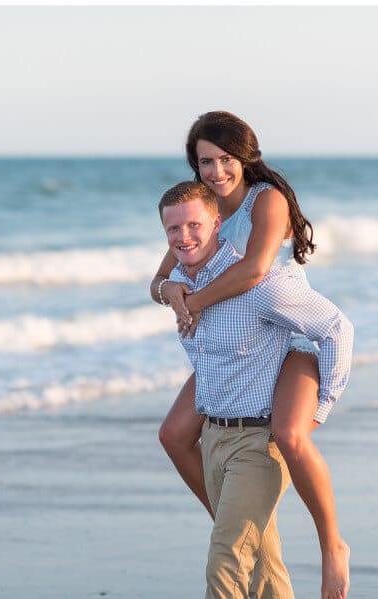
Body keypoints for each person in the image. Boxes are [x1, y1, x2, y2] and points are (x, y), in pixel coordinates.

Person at [151, 111, 351, 599]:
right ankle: (239, 521)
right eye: (204, 162)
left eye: (225, 159)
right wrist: (172, 290)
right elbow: (160, 280)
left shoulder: (267, 199)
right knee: (175, 433)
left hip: (289, 334)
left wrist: (192, 300)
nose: (216, 172)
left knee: (288, 432)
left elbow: (257, 271)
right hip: (235, 341)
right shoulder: (195, 211)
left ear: (245, 156)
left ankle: (331, 548)